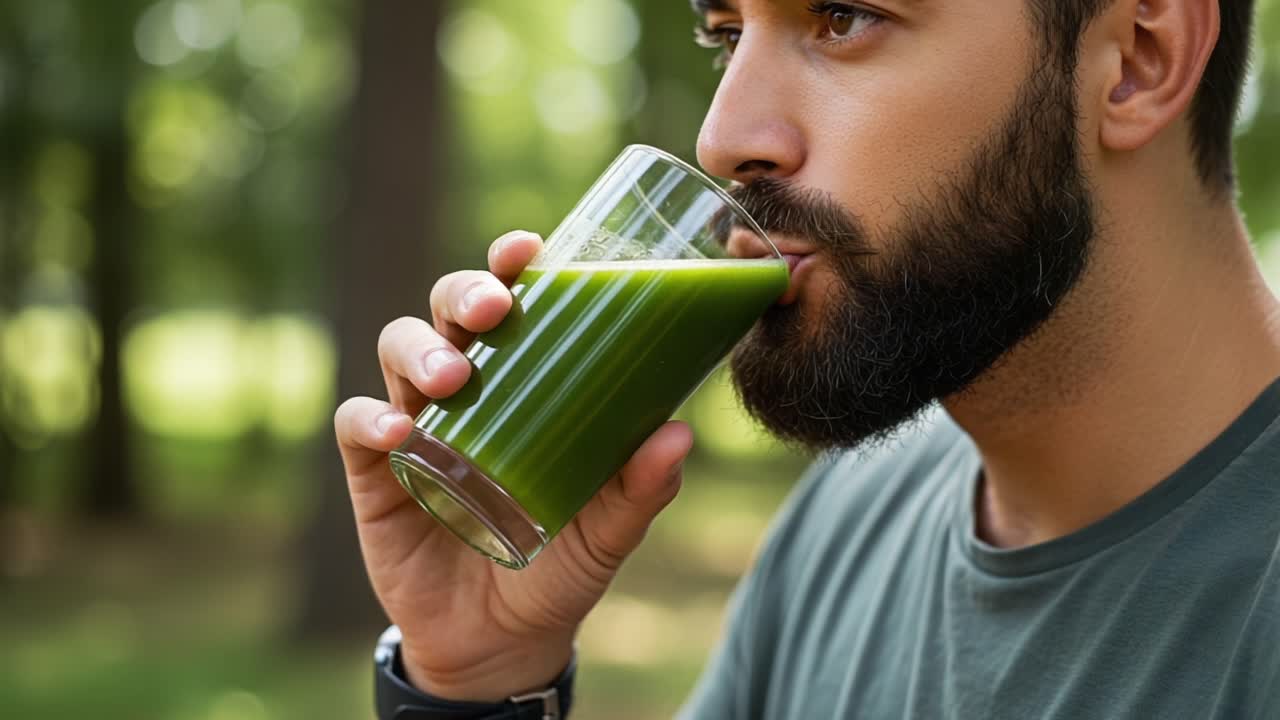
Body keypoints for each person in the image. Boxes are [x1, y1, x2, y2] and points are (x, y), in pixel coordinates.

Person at [335, 0, 1280, 717]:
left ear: (1137, 61)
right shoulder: (850, 516)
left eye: (841, 18)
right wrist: (477, 681)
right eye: (723, 32)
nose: (722, 137)